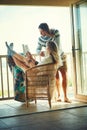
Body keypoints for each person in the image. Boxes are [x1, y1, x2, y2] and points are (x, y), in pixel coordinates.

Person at [36, 23, 71, 103]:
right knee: (56, 78)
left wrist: (49, 35)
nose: (41, 34)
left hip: (61, 57)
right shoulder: (40, 39)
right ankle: (58, 96)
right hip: (52, 59)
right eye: (40, 32)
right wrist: (39, 52)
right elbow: (37, 49)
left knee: (64, 76)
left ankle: (66, 96)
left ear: (45, 30)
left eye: (41, 32)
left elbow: (57, 46)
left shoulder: (56, 32)